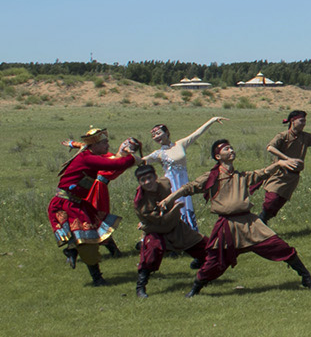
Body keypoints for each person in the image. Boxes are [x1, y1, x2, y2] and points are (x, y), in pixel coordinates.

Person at [164, 139, 311, 297]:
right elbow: (187, 188)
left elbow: (262, 173)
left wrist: (279, 164)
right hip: (227, 226)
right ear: (218, 156)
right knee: (215, 263)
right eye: (226, 149)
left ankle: (306, 279)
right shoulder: (211, 177)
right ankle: (195, 289)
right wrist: (168, 199)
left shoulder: (241, 176)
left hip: (250, 224)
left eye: (231, 148)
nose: (231, 151)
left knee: (280, 247)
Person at [49, 127, 139, 285]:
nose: (107, 145)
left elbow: (111, 159)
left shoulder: (91, 155)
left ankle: (72, 251)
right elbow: (112, 165)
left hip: (76, 203)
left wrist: (124, 154)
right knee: (87, 241)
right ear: (95, 145)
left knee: (89, 236)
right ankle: (96, 277)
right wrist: (133, 160)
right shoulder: (87, 158)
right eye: (104, 142)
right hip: (67, 204)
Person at [129, 161, 205, 297]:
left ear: (155, 176)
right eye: (143, 180)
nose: (147, 182)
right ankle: (140, 287)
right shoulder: (141, 202)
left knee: (204, 246)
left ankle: (204, 270)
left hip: (176, 226)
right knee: (151, 254)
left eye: (149, 178)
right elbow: (161, 221)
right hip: (156, 229)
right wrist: (175, 208)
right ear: (139, 182)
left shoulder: (165, 183)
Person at [143, 116, 224, 228]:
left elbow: (197, 134)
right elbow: (141, 161)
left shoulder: (180, 144)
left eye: (158, 133)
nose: (156, 137)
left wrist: (212, 120)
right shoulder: (158, 154)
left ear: (166, 132)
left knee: (186, 207)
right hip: (171, 185)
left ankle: (190, 233)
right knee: (174, 208)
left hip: (184, 183)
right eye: (153, 136)